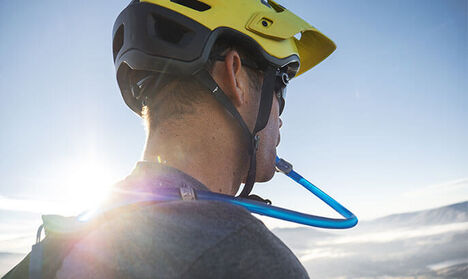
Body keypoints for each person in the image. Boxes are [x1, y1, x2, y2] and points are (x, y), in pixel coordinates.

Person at [3, 0, 336, 278]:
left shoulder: (68, 243)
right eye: (281, 85)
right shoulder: (245, 258)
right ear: (235, 75)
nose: (280, 115)